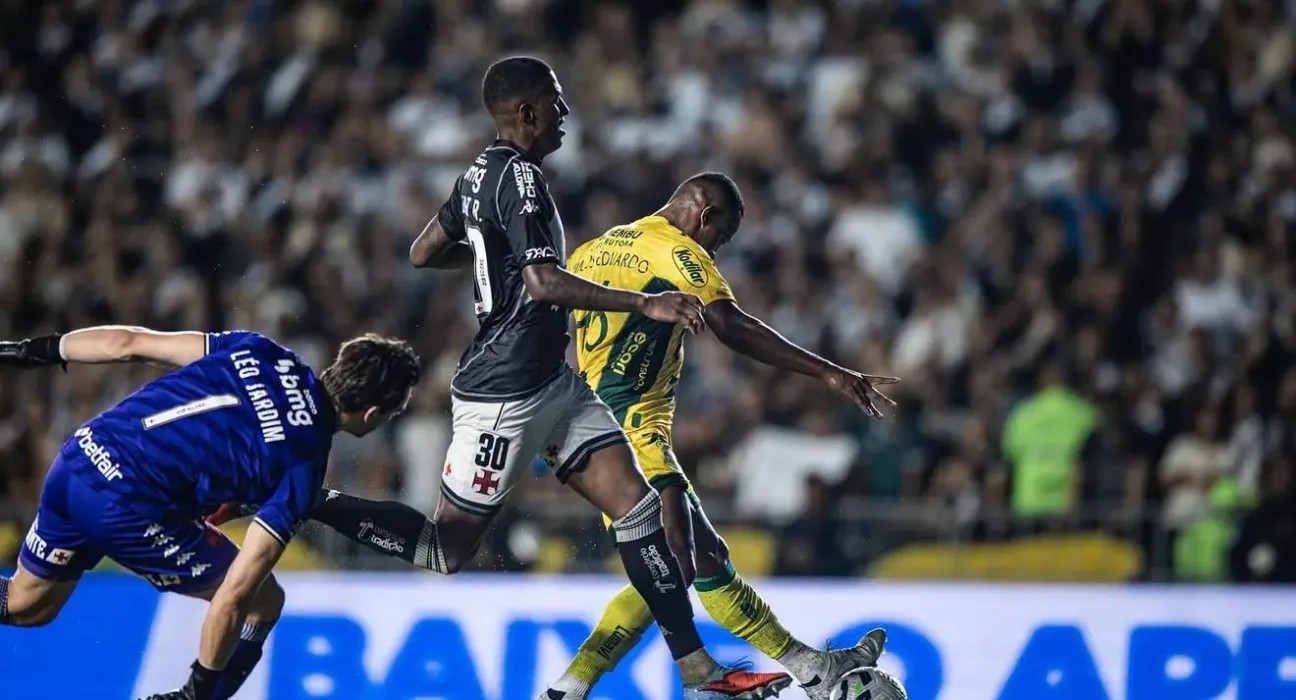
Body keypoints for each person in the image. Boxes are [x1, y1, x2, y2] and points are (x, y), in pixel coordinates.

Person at [295, 56, 794, 700]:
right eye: (556, 102)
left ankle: (698, 670)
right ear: (528, 112)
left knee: (642, 511)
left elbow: (424, 251)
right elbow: (539, 281)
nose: (565, 113)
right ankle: (316, 501)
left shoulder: (478, 173)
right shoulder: (523, 180)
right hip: (503, 393)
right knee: (446, 551)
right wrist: (645, 302)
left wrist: (490, 255)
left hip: (551, 383)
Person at [542, 172, 896, 700]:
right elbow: (729, 325)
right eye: (721, 239)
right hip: (627, 423)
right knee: (676, 558)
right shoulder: (677, 251)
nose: (716, 252)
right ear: (704, 216)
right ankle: (574, 685)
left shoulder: (595, 249)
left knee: (707, 557)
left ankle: (810, 668)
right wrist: (828, 372)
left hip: (585, 416)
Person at [0, 326, 420, 700]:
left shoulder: (261, 349)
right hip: (125, 504)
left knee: (26, 605)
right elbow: (236, 594)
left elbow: (127, 344)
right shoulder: (304, 464)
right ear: (372, 414)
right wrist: (201, 683)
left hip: (80, 457)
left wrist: (36, 350)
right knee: (264, 602)